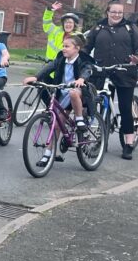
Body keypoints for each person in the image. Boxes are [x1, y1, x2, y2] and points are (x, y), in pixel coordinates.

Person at [84, 0, 138, 160]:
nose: (117, 14)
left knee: (125, 109)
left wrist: (137, 58)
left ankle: (128, 144)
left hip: (125, 72)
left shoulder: (130, 28)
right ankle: (101, 139)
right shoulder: (98, 28)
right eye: (114, 12)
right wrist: (82, 61)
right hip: (102, 72)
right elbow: (87, 47)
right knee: (100, 107)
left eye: (120, 12)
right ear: (107, 12)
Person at [23, 34, 95, 166]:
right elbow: (49, 67)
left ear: (77, 48)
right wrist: (36, 77)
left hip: (78, 93)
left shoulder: (83, 60)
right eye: (63, 46)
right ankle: (47, 155)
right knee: (56, 125)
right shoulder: (61, 59)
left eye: (67, 46)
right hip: (62, 93)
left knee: (74, 92)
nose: (64, 49)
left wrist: (81, 79)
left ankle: (79, 119)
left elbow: (87, 69)